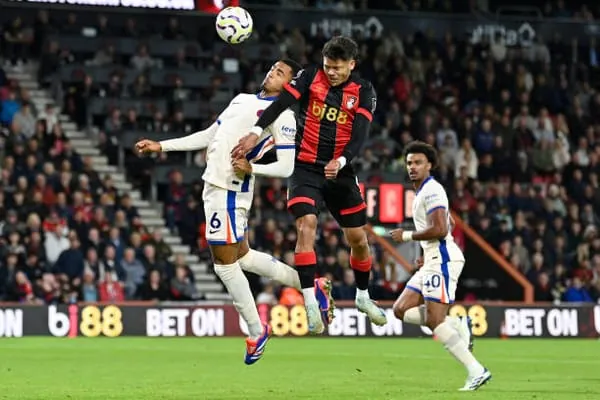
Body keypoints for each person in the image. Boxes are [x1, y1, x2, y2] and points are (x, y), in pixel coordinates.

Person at [135, 59, 333, 365]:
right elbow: (208, 135)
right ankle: (310, 285)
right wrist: (161, 146)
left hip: (231, 190)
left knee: (223, 265)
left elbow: (287, 167)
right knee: (242, 256)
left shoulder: (284, 116)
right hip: (213, 186)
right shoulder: (241, 99)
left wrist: (252, 167)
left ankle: (256, 330)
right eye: (272, 68)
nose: (271, 72)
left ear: (291, 85)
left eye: (280, 72)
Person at [232, 36, 387, 334]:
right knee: (306, 226)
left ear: (351, 65)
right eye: (328, 66)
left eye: (338, 68)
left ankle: (363, 297)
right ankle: (310, 303)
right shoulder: (310, 76)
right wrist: (255, 130)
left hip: (340, 170)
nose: (331, 72)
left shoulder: (364, 91)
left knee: (358, 240)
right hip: (305, 168)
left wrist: (341, 162)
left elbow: (360, 134)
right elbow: (282, 103)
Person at [389, 141, 491, 391]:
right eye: (410, 163)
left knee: (435, 322)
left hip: (443, 260)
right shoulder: (424, 191)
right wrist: (427, 250)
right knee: (400, 309)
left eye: (418, 162)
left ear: (430, 165)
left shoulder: (432, 190)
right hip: (433, 258)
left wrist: (406, 236)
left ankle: (476, 371)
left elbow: (441, 228)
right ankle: (457, 324)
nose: (412, 167)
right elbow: (449, 225)